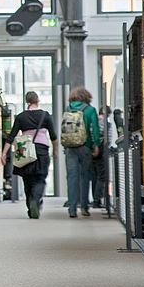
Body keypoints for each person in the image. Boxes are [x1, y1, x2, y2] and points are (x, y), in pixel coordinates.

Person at [1, 91, 57, 219]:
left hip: (25, 151)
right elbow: (54, 137)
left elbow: (11, 136)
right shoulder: (45, 115)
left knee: (27, 180)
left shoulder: (21, 117)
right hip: (41, 151)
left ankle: (30, 204)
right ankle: (35, 202)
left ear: (27, 102)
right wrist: (54, 152)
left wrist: (4, 153)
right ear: (38, 101)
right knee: (40, 178)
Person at [64, 87, 101, 218]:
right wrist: (96, 144)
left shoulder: (68, 109)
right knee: (85, 177)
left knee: (72, 178)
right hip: (85, 146)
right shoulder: (90, 110)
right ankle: (84, 207)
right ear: (87, 97)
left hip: (70, 147)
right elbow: (95, 129)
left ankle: (72, 209)